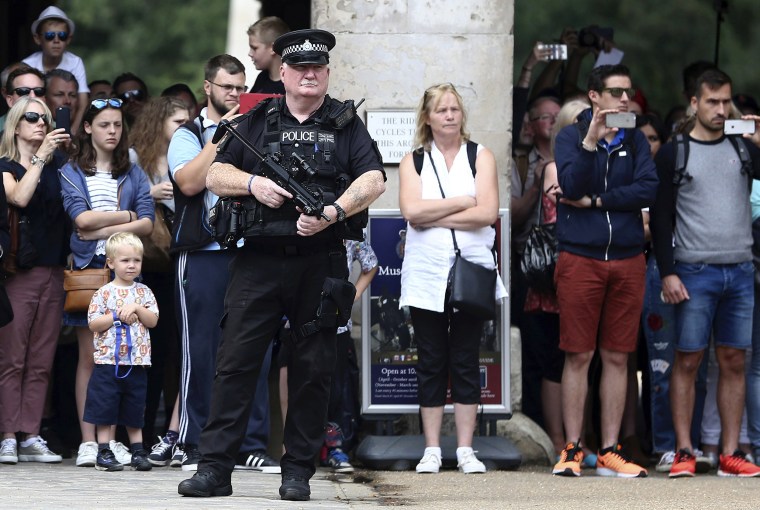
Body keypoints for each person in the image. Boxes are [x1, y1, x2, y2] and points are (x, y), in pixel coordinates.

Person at [177, 29, 385, 500]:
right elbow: (214, 173)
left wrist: (332, 212)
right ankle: (214, 469)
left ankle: (297, 472)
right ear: (284, 72)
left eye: (318, 68)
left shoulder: (345, 123)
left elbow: (373, 178)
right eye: (300, 68)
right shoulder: (255, 118)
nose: (309, 75)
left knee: (313, 369)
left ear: (327, 74)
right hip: (259, 260)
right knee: (235, 364)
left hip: (320, 259)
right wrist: (253, 185)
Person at [166, 54, 277, 474]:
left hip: (250, 250)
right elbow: (190, 182)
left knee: (256, 349)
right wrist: (222, 135)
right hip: (201, 253)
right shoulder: (188, 133)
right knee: (202, 350)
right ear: (207, 87)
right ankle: (192, 442)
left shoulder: (259, 130)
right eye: (227, 86)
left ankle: (250, 444)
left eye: (240, 87)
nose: (235, 94)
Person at [650, 68, 760, 478]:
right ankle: (683, 450)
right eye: (711, 101)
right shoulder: (674, 151)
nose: (720, 109)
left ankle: (731, 453)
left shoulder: (745, 149)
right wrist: (668, 272)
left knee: (734, 360)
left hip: (740, 269)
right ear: (694, 103)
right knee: (688, 360)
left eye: (725, 102)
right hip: (694, 270)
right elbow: (660, 218)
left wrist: (758, 139)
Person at [551, 64, 657, 478]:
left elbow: (648, 189)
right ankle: (573, 447)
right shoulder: (570, 136)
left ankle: (611, 449)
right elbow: (572, 186)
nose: (625, 99)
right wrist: (592, 141)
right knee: (579, 354)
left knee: (618, 356)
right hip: (581, 257)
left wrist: (598, 203)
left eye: (628, 92)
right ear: (595, 96)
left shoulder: (635, 139)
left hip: (628, 257)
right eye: (616, 92)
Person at [398, 82, 505, 475]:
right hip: (427, 272)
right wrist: (461, 201)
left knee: (464, 358)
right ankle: (431, 448)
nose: (449, 115)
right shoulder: (415, 161)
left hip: (471, 269)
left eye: (455, 109)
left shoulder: (481, 156)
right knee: (430, 359)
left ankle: (464, 449)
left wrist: (435, 213)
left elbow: (487, 213)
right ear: (427, 117)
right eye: (441, 110)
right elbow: (411, 211)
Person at [59, 97, 154, 468]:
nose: (112, 131)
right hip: (87, 271)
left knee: (123, 353)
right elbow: (80, 221)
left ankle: (111, 441)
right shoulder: (71, 170)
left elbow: (146, 221)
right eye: (104, 125)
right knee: (91, 355)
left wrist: (112, 224)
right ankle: (89, 440)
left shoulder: (132, 169)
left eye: (117, 125)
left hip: (125, 270)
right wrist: (125, 217)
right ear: (88, 128)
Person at [0, 97, 70, 465]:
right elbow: (19, 197)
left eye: (45, 117)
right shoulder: (6, 165)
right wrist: (41, 157)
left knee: (42, 359)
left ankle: (30, 434)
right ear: (15, 126)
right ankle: (8, 434)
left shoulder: (60, 165)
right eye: (32, 117)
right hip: (20, 272)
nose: (41, 122)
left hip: (55, 270)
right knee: (13, 358)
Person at [523, 98, 589, 458]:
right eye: (580, 120)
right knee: (554, 361)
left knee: (581, 359)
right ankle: (558, 438)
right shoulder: (553, 167)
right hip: (555, 275)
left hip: (585, 269)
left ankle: (580, 438)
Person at [129, 96, 190, 445]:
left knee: (173, 349)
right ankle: (141, 431)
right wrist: (151, 193)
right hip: (145, 264)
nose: (184, 128)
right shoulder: (138, 157)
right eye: (177, 122)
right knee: (144, 350)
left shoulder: (189, 155)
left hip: (177, 260)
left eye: (187, 121)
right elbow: (121, 203)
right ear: (159, 123)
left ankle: (171, 432)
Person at [85, 232, 159, 471]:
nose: (131, 265)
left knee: (135, 407)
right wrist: (116, 315)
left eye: (136, 260)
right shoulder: (103, 293)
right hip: (108, 362)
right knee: (105, 407)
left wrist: (137, 307)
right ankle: (104, 450)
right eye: (125, 260)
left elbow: (153, 320)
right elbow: (93, 323)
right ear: (111, 263)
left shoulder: (144, 292)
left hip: (137, 362)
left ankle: (137, 450)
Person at [22, 6, 89, 133]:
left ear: (68, 39)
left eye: (62, 35)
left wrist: (73, 131)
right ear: (37, 38)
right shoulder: (27, 65)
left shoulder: (75, 62)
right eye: (49, 35)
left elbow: (83, 101)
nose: (56, 40)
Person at [247, 16, 290, 94]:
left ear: (273, 48)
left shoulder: (293, 83)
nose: (250, 54)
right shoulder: (261, 79)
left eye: (254, 48)